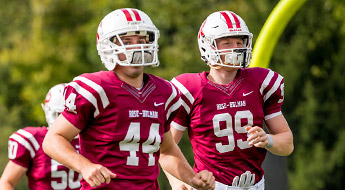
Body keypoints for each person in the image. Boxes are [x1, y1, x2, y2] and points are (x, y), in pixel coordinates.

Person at [42, 8, 215, 190]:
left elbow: (167, 150)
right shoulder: (96, 89)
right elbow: (53, 139)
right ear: (107, 46)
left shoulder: (165, 92)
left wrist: (192, 178)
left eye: (141, 40)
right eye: (127, 41)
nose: (137, 47)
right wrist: (84, 165)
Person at [167, 10, 294, 190]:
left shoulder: (260, 82)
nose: (236, 47)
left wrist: (269, 140)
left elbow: (287, 144)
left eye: (239, 42)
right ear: (208, 45)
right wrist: (178, 181)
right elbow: (166, 147)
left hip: (256, 186)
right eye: (227, 43)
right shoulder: (190, 89)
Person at [0, 84, 82, 190]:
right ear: (49, 112)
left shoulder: (90, 138)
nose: (65, 120)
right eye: (60, 115)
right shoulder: (33, 140)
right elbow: (7, 182)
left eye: (70, 114)